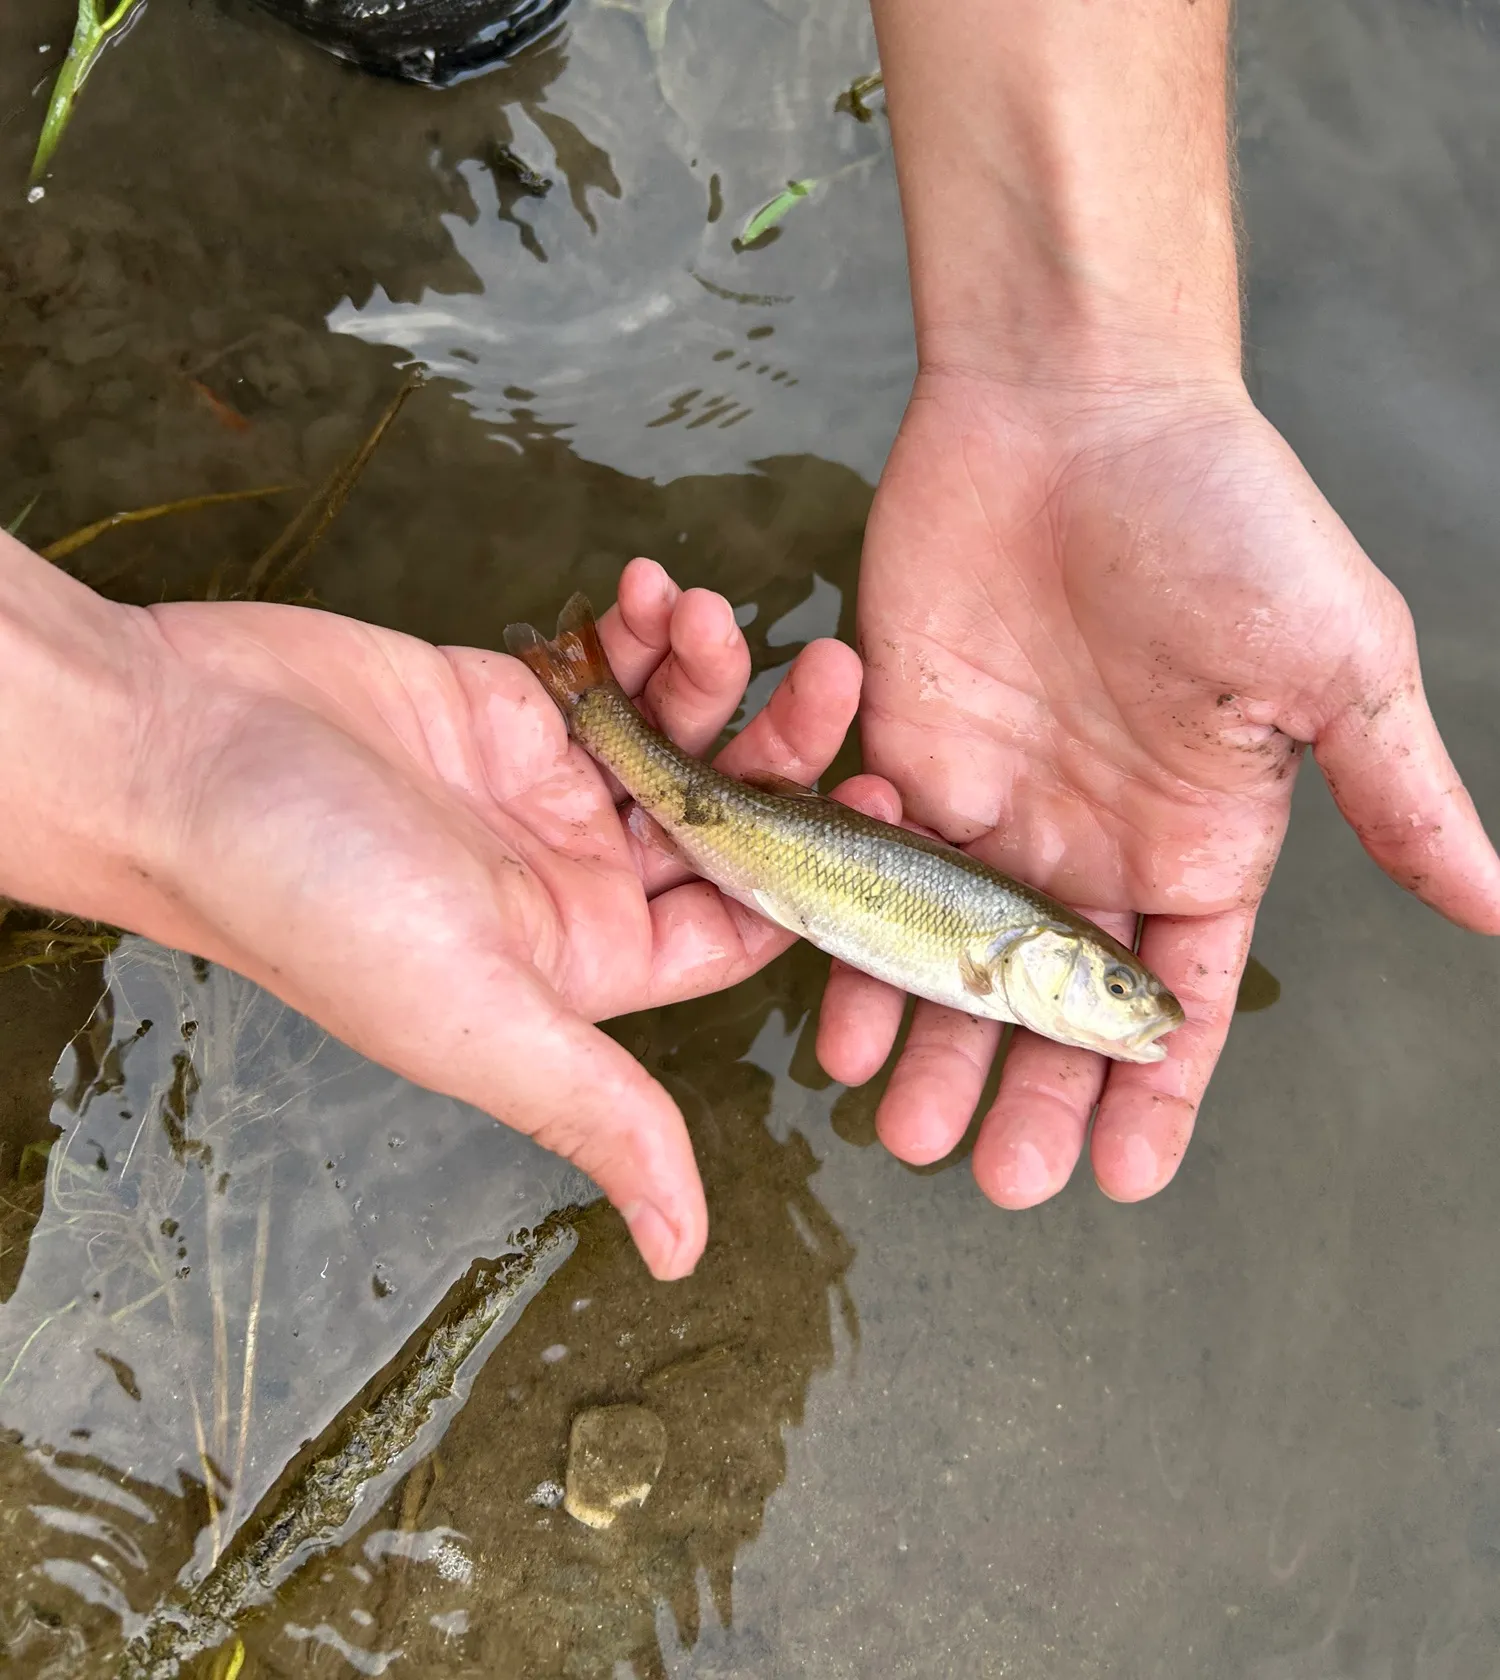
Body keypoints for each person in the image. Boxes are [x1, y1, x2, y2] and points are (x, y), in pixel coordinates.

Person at [3, 0, 1496, 1284]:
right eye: (1111, 989)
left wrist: (1100, 375)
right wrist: (145, 766)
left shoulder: (1001, 934)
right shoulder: (998, 936)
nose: (1123, 1012)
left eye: (1117, 998)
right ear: (1042, 964)